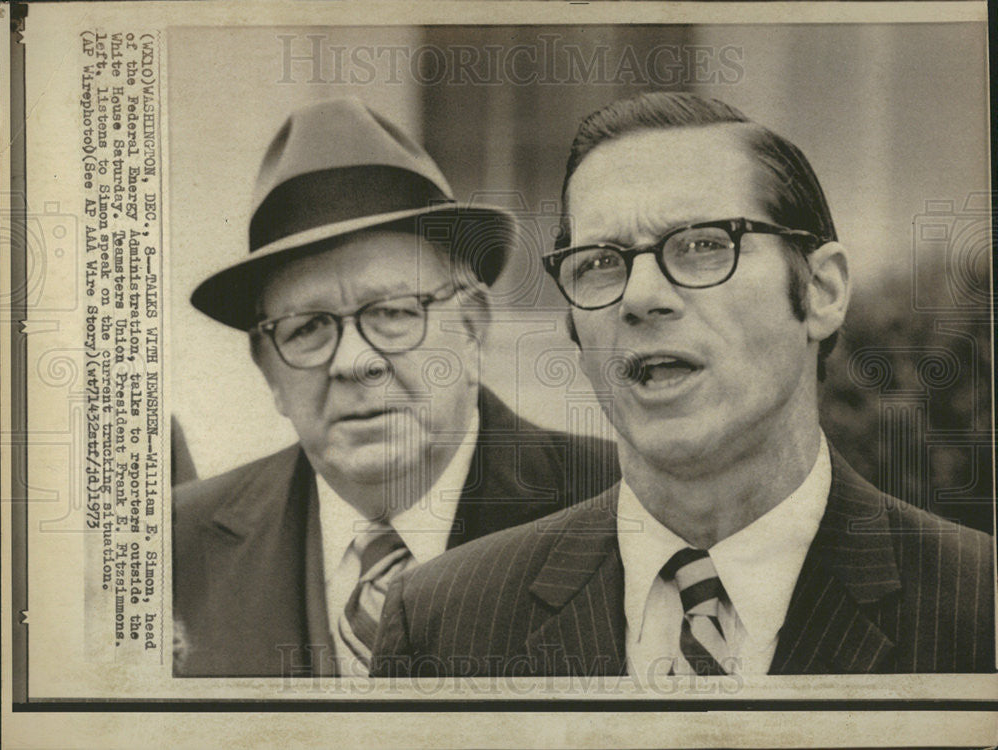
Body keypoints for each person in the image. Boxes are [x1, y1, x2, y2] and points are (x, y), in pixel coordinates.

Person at [372, 91, 995, 677]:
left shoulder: (980, 611)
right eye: (599, 264)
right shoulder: (440, 627)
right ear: (575, 333)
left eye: (702, 245)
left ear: (822, 290)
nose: (640, 298)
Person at [172, 98, 619, 677]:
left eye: (393, 312)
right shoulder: (177, 546)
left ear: (472, 327)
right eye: (307, 328)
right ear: (267, 370)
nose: (355, 362)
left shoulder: (615, 505)